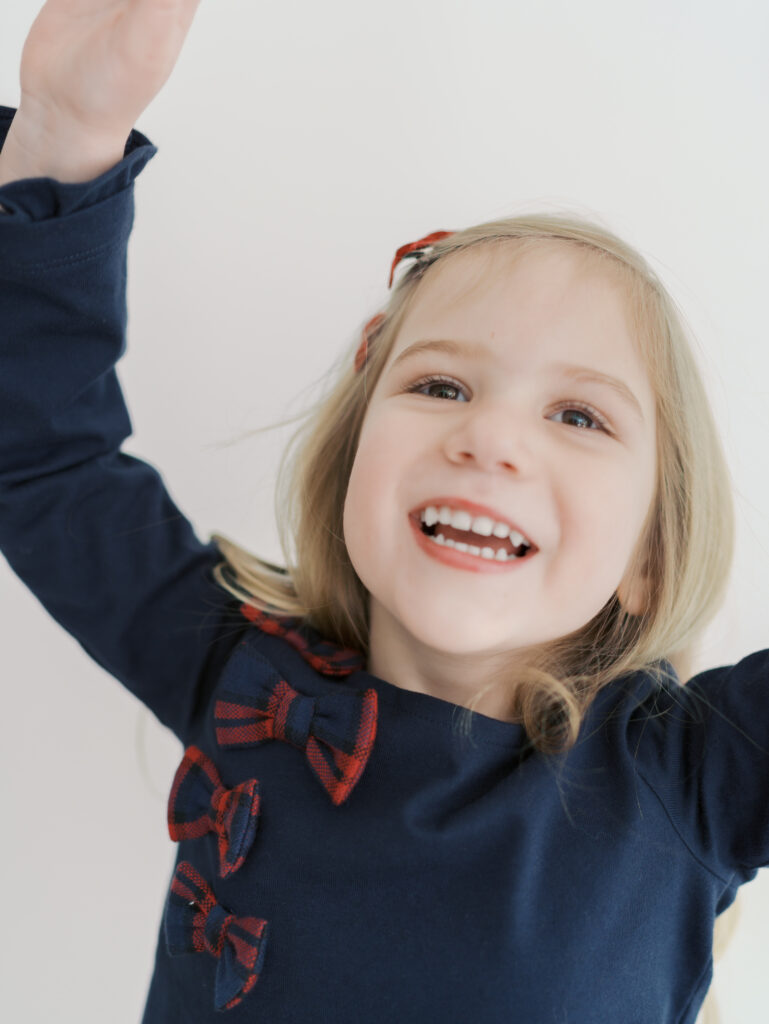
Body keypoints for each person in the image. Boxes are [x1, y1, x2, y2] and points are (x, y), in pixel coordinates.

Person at [0, 2, 757, 1022]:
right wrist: (63, 137)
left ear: (650, 558)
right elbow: (43, 454)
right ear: (355, 451)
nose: (490, 438)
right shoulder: (240, 672)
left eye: (577, 414)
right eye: (441, 386)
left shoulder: (691, 777)